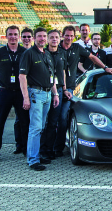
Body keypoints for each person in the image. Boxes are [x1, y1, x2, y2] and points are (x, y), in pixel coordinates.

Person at [56, 26, 112, 157]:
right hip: (56, 88)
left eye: (71, 36)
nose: (69, 38)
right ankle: (49, 148)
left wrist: (105, 68)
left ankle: (58, 148)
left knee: (63, 118)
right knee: (53, 119)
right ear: (62, 35)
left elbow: (93, 58)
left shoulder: (77, 48)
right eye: (67, 35)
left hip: (70, 88)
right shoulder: (56, 48)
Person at [18, 27, 59, 171]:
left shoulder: (46, 54)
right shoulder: (28, 54)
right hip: (35, 94)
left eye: (44, 36)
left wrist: (55, 93)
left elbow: (52, 76)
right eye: (39, 36)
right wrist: (26, 98)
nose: (42, 39)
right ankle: (33, 160)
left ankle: (36, 154)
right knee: (35, 128)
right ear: (34, 38)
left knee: (41, 127)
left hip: (47, 94)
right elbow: (22, 76)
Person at [0, 26, 28, 163]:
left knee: (24, 122)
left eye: (15, 34)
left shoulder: (25, 52)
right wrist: (2, 79)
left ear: (19, 36)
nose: (12, 37)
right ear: (6, 36)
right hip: (4, 92)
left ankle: (25, 149)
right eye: (10, 34)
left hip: (20, 92)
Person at [40, 29, 66, 160]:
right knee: (43, 122)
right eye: (52, 37)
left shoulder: (62, 53)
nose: (54, 39)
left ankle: (50, 149)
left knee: (53, 122)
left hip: (59, 91)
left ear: (59, 39)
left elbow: (63, 72)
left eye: (56, 37)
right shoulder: (43, 54)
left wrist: (65, 88)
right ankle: (42, 149)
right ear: (48, 40)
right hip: (45, 90)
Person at [13, 27, 34, 155]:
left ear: (32, 38)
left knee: (32, 120)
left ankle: (29, 146)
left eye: (28, 36)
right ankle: (19, 144)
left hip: (35, 89)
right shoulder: (19, 52)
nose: (26, 39)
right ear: (21, 38)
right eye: (24, 37)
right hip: (20, 90)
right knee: (19, 120)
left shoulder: (37, 51)